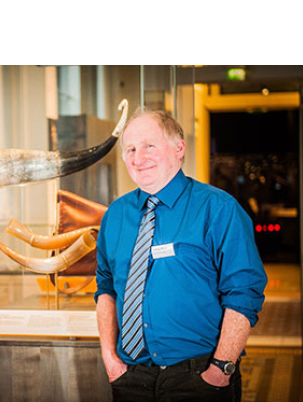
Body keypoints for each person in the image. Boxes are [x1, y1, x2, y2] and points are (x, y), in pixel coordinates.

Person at [95, 109, 267, 402]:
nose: (138, 157)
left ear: (179, 148)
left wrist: (220, 370)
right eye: (130, 149)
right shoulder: (116, 215)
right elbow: (106, 288)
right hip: (131, 376)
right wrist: (110, 360)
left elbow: (244, 294)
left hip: (199, 376)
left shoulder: (219, 209)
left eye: (149, 145)